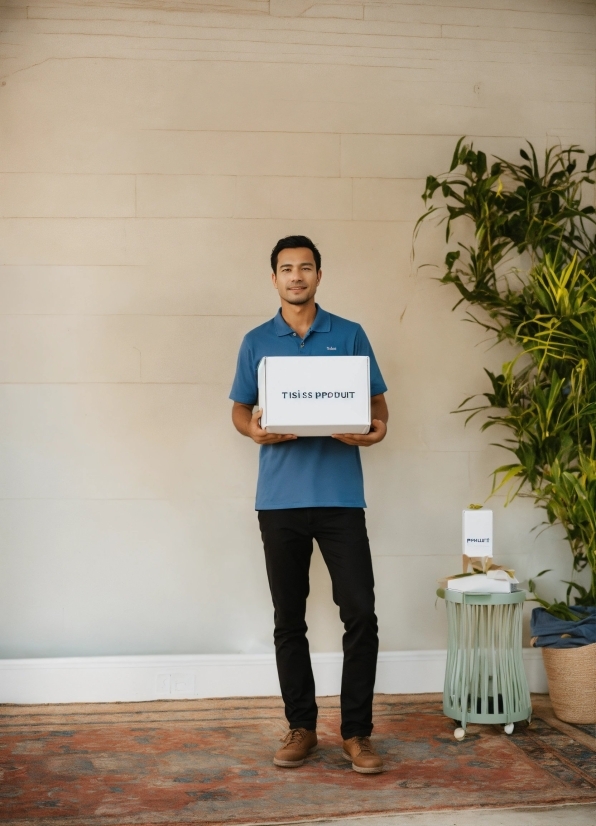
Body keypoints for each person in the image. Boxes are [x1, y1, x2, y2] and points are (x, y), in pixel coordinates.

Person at [230, 235, 388, 774]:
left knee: (361, 613)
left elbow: (377, 407)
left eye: (306, 268)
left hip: (342, 499)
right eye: (286, 268)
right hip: (278, 502)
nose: (296, 276)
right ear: (273, 277)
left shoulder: (349, 335)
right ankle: (301, 727)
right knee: (288, 619)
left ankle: (357, 734)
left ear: (319, 275)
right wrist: (252, 429)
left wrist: (374, 431)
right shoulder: (256, 341)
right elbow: (241, 411)